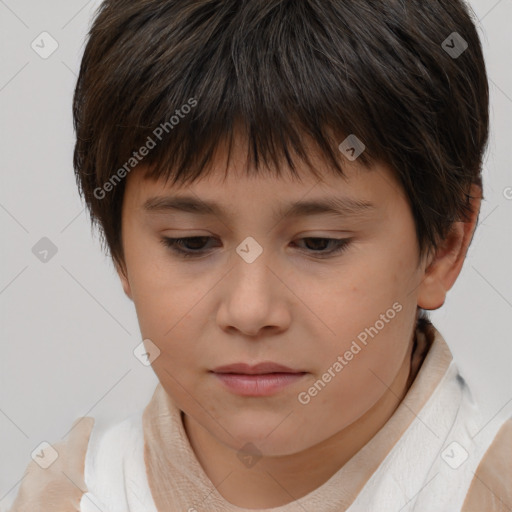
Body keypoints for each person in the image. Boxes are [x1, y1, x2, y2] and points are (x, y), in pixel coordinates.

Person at [9, 0, 511, 510]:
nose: (250, 311)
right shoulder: (70, 495)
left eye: (319, 243)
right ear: (121, 254)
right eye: (191, 243)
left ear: (444, 248)